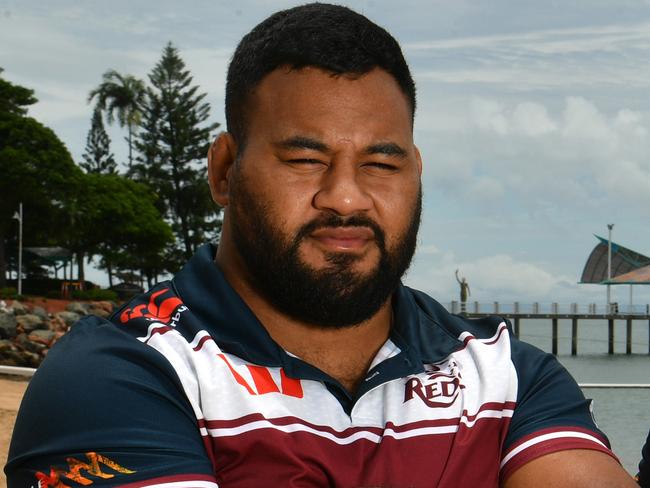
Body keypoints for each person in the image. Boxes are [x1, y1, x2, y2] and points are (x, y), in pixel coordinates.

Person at [5, 4, 637, 488]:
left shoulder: (505, 375)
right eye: (305, 159)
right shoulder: (122, 376)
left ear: (417, 170)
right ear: (224, 170)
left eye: (381, 165)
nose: (346, 197)